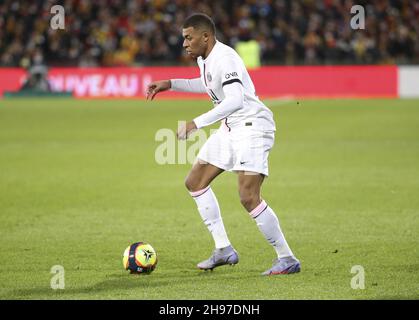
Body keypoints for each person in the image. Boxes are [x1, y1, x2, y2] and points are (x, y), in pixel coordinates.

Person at [146, 13, 300, 275]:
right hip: (230, 128)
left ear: (205, 36)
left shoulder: (225, 57)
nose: (184, 43)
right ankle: (223, 249)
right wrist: (170, 84)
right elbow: (206, 85)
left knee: (248, 196)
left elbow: (235, 99)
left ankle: (287, 258)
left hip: (252, 127)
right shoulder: (204, 59)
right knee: (195, 182)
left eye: (188, 37)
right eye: (183, 38)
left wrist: (197, 123)